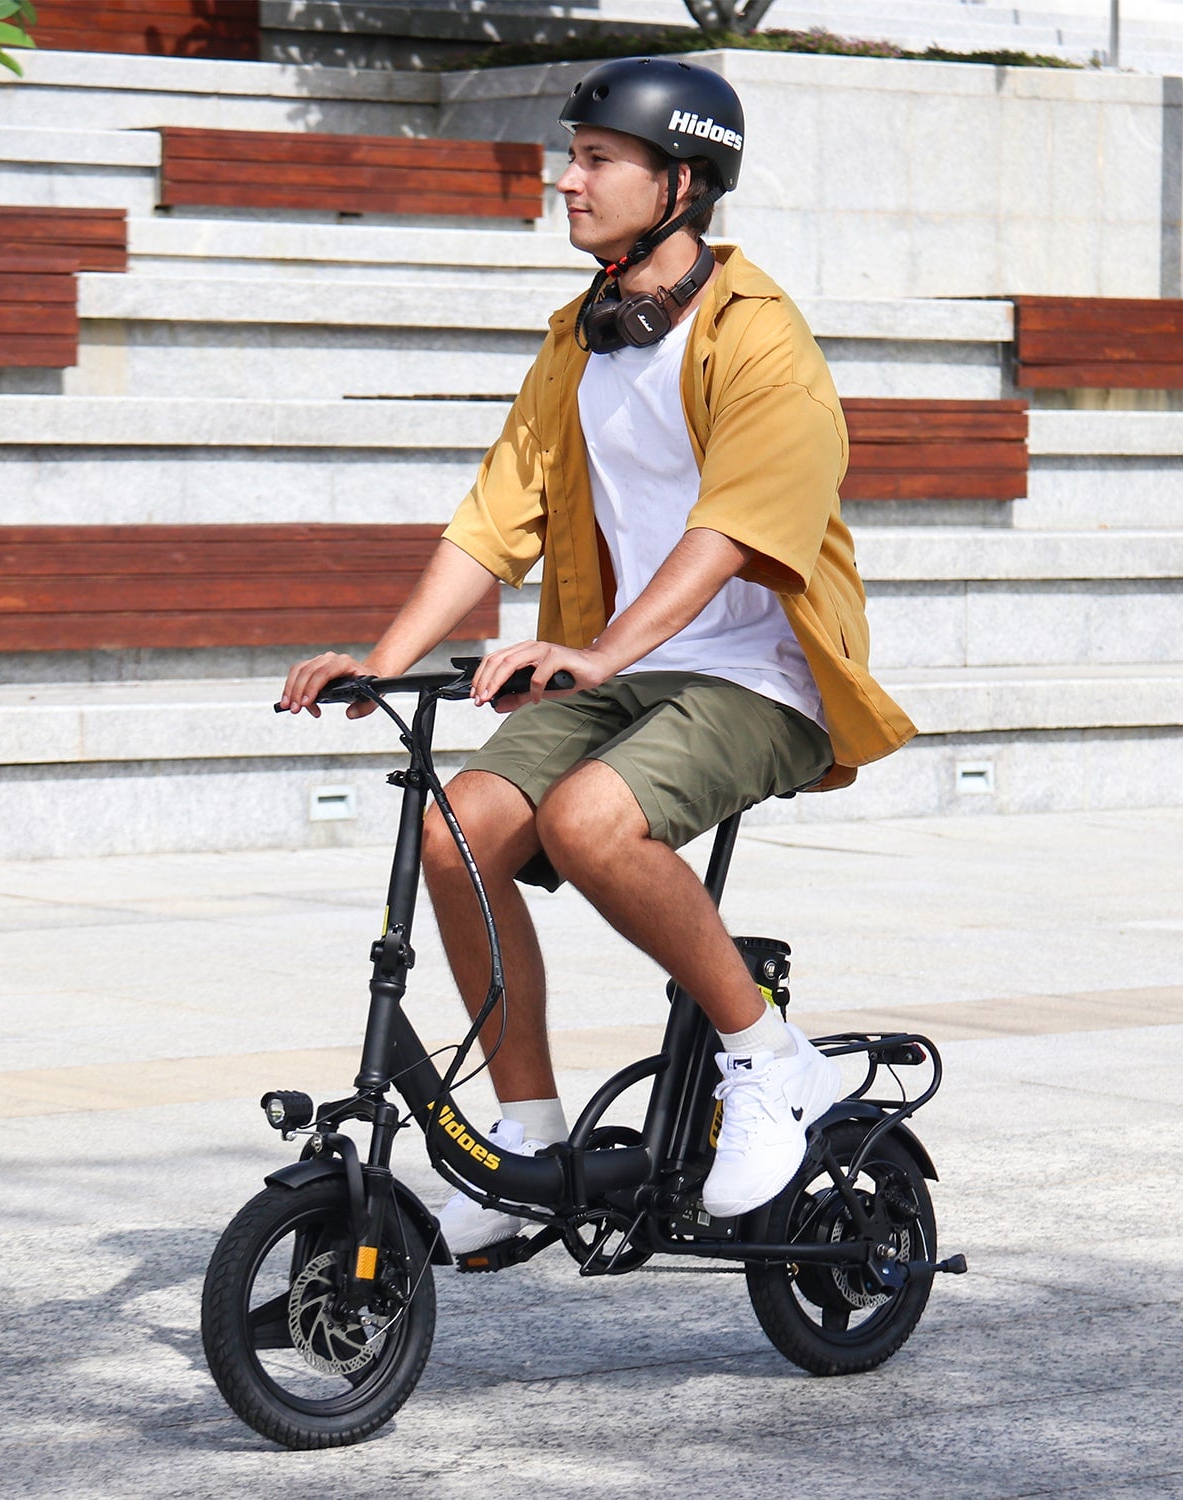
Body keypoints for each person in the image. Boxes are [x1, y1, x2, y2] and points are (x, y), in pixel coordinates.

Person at [280, 56, 915, 1253]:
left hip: (761, 679)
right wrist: (382, 659)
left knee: (588, 821)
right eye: (571, 157)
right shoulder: (581, 340)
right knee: (449, 830)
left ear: (679, 182)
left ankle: (770, 1060)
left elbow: (734, 529)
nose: (566, 182)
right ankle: (526, 1128)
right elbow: (495, 518)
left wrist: (597, 649)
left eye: (595, 160)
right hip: (624, 670)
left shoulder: (763, 341)